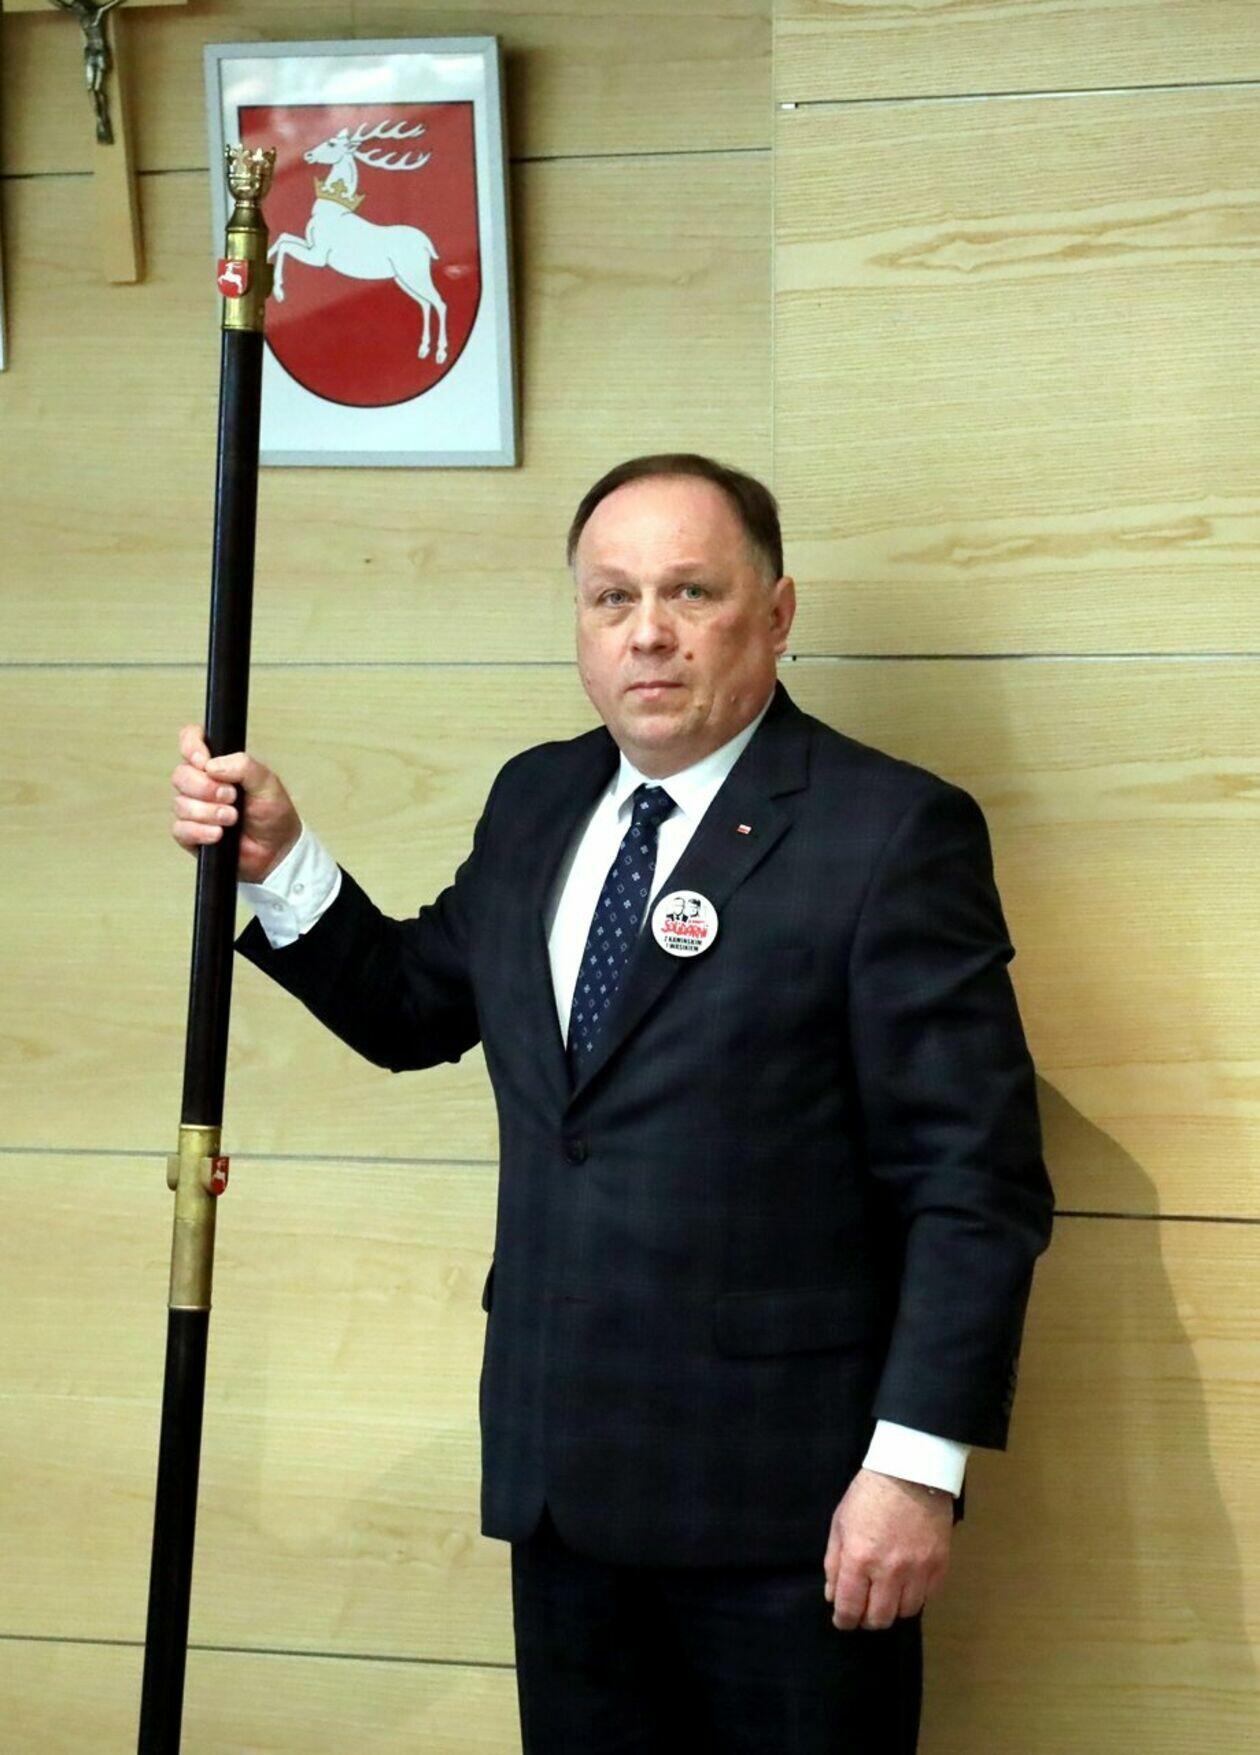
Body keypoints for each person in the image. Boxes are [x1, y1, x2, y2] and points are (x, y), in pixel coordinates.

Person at [169, 454, 1054, 1752]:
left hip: (794, 1517)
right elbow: (414, 1008)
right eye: (611, 596)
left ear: (777, 612)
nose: (647, 631)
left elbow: (974, 1184)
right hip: (564, 1489)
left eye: (691, 591)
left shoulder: (889, 831)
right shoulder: (537, 799)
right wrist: (280, 862)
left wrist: (917, 1469)